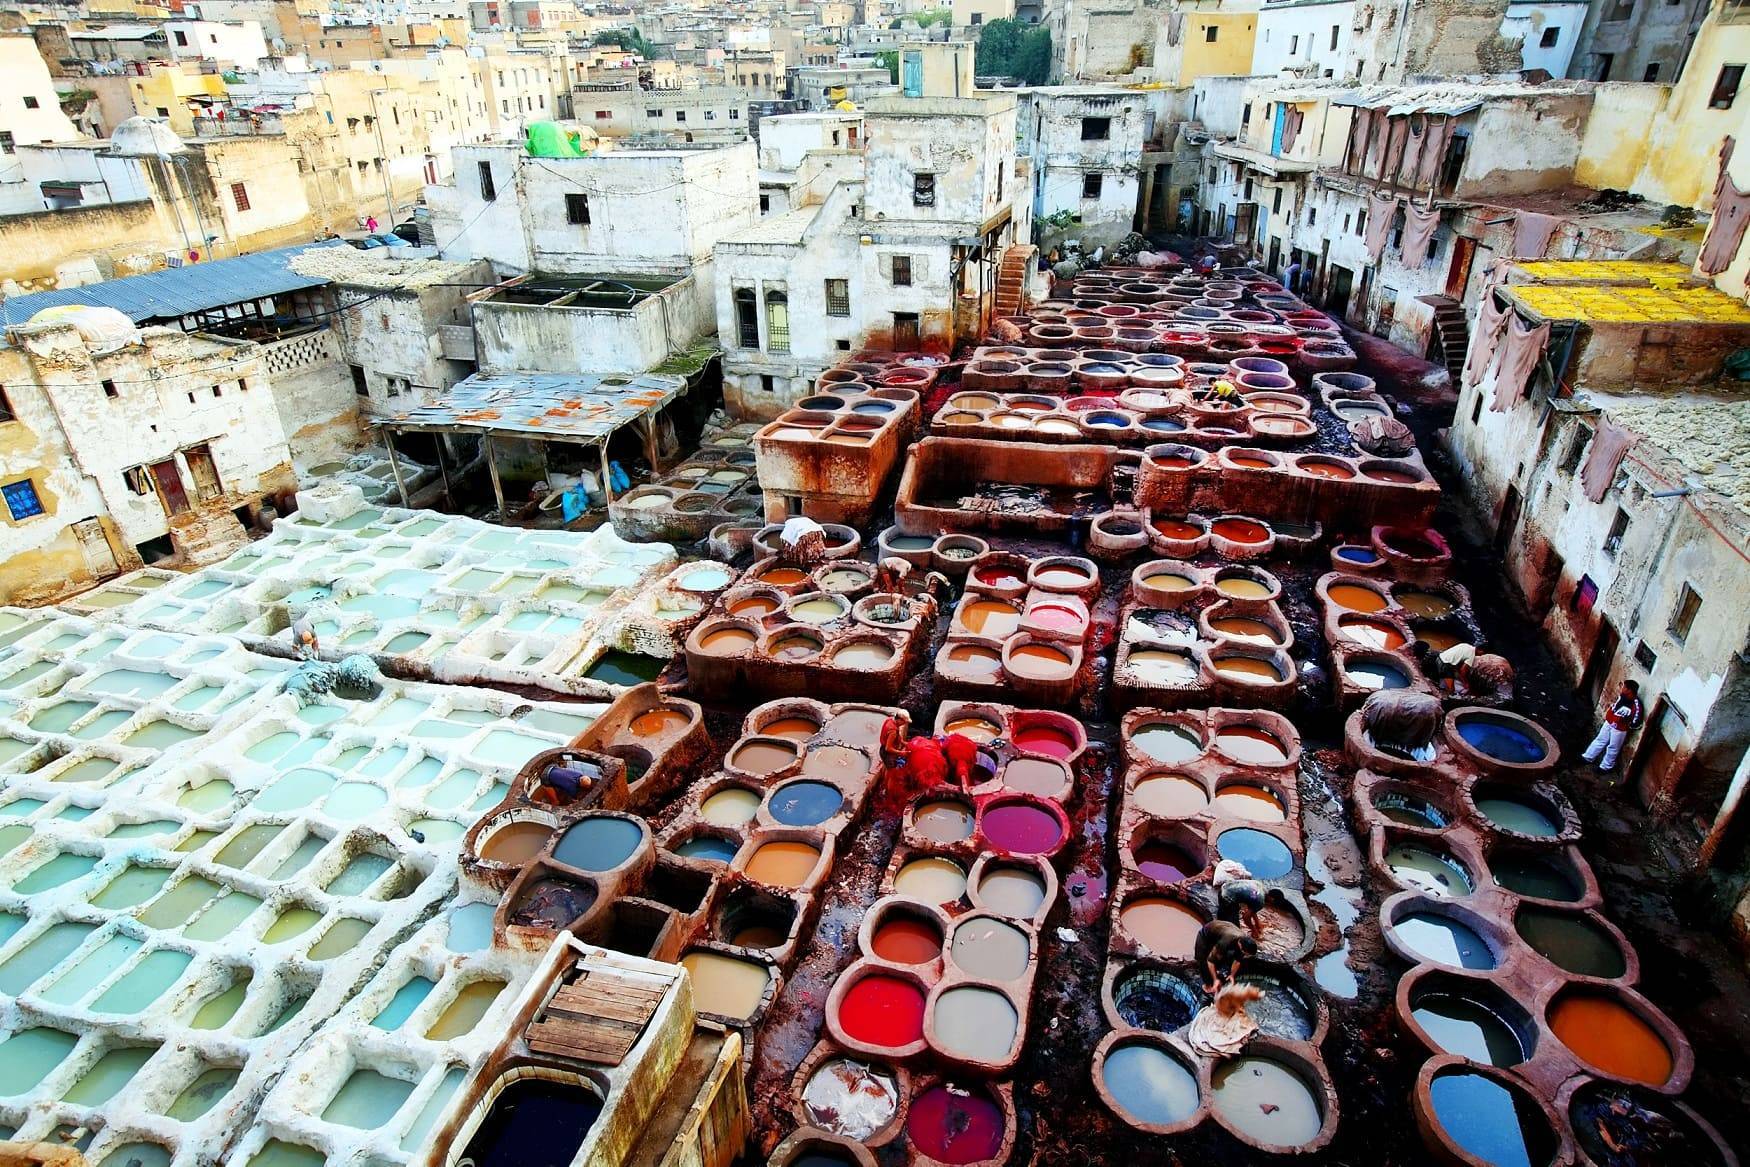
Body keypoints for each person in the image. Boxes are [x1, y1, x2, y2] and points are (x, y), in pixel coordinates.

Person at [1583, 680, 1643, 773]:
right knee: (1600, 739)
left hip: (1619, 729)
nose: (1622, 688)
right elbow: (1615, 706)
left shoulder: (1636, 704)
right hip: (1609, 722)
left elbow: (1636, 722)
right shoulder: (1622, 697)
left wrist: (1624, 723)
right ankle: (1588, 757)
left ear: (1629, 690)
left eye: (1625, 687)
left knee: (1613, 747)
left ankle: (1605, 767)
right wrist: (1610, 716)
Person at [1194, 919, 1257, 994]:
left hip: (1221, 933)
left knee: (1221, 956)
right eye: (1245, 953)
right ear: (1240, 945)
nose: (1245, 955)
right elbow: (1210, 961)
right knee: (1202, 958)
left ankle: (1214, 973)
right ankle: (1207, 986)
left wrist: (1232, 975)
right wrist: (1215, 980)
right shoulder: (1227, 940)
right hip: (1205, 934)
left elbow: (1237, 961)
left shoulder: (1244, 943)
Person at [1212, 859, 1265, 938]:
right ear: (1272, 899)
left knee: (1229, 911)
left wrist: (1258, 924)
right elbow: (1246, 918)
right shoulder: (1260, 901)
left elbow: (1253, 909)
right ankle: (1223, 932)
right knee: (1234, 924)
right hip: (1226, 895)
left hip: (1227, 887)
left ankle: (1221, 920)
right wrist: (1254, 930)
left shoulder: (1259, 886)